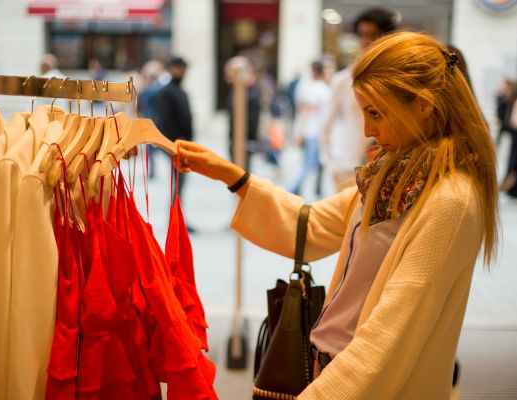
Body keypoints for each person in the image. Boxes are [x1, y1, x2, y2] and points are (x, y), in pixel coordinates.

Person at [174, 31, 499, 399]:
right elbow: (311, 224)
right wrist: (232, 176)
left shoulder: (451, 201)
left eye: (376, 113)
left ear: (424, 105)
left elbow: (388, 340)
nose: (367, 130)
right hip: (332, 371)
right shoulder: (391, 175)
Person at [322, 8, 400, 192]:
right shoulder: (343, 80)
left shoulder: (395, 79)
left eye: (374, 34)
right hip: (348, 169)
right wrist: (331, 165)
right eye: (363, 34)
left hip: (386, 169)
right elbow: (325, 125)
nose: (367, 40)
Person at [154, 56, 194, 215]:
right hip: (174, 146)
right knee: (177, 183)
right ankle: (175, 217)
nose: (184, 72)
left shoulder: (179, 91)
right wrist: (172, 145)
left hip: (182, 146)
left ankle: (177, 216)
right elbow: (164, 121)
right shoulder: (165, 92)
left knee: (179, 184)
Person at [286, 60, 331, 196]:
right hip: (313, 133)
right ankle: (290, 188)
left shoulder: (315, 88)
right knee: (308, 164)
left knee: (314, 164)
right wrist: (301, 132)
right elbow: (307, 113)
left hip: (315, 133)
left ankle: (301, 189)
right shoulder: (318, 89)